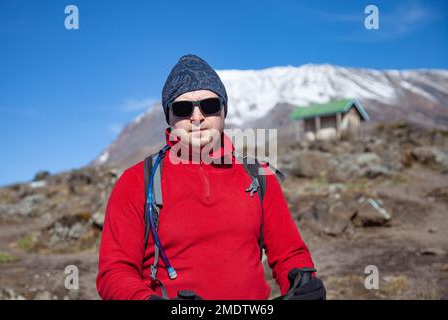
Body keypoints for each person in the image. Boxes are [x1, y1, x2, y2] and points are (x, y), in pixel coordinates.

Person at [96, 54, 326, 300]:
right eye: (183, 108)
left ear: (224, 111)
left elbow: (289, 252)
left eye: (209, 105)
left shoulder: (258, 175)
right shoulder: (136, 181)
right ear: (169, 117)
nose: (197, 117)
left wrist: (301, 279)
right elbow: (115, 271)